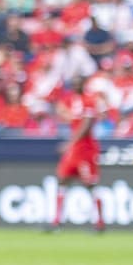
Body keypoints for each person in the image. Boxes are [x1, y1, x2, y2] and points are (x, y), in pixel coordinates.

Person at [48, 77, 105, 232]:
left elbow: (86, 125)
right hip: (74, 150)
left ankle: (99, 223)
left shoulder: (89, 100)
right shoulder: (73, 100)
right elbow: (67, 115)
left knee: (90, 184)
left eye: (78, 83)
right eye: (73, 83)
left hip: (86, 149)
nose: (76, 86)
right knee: (62, 179)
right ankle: (57, 222)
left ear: (83, 85)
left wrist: (69, 143)